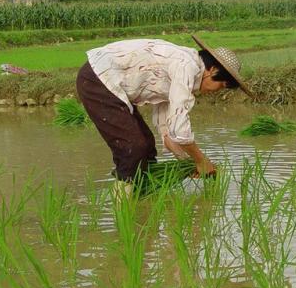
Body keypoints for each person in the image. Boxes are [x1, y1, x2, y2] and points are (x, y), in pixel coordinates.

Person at [76, 34, 252, 197]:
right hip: (98, 78)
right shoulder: (186, 67)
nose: (217, 91)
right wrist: (201, 160)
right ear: (212, 70)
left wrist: (186, 162)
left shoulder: (182, 70)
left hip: (109, 82)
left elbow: (168, 133)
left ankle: (140, 199)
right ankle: (122, 208)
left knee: (146, 147)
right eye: (221, 85)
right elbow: (180, 128)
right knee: (133, 147)